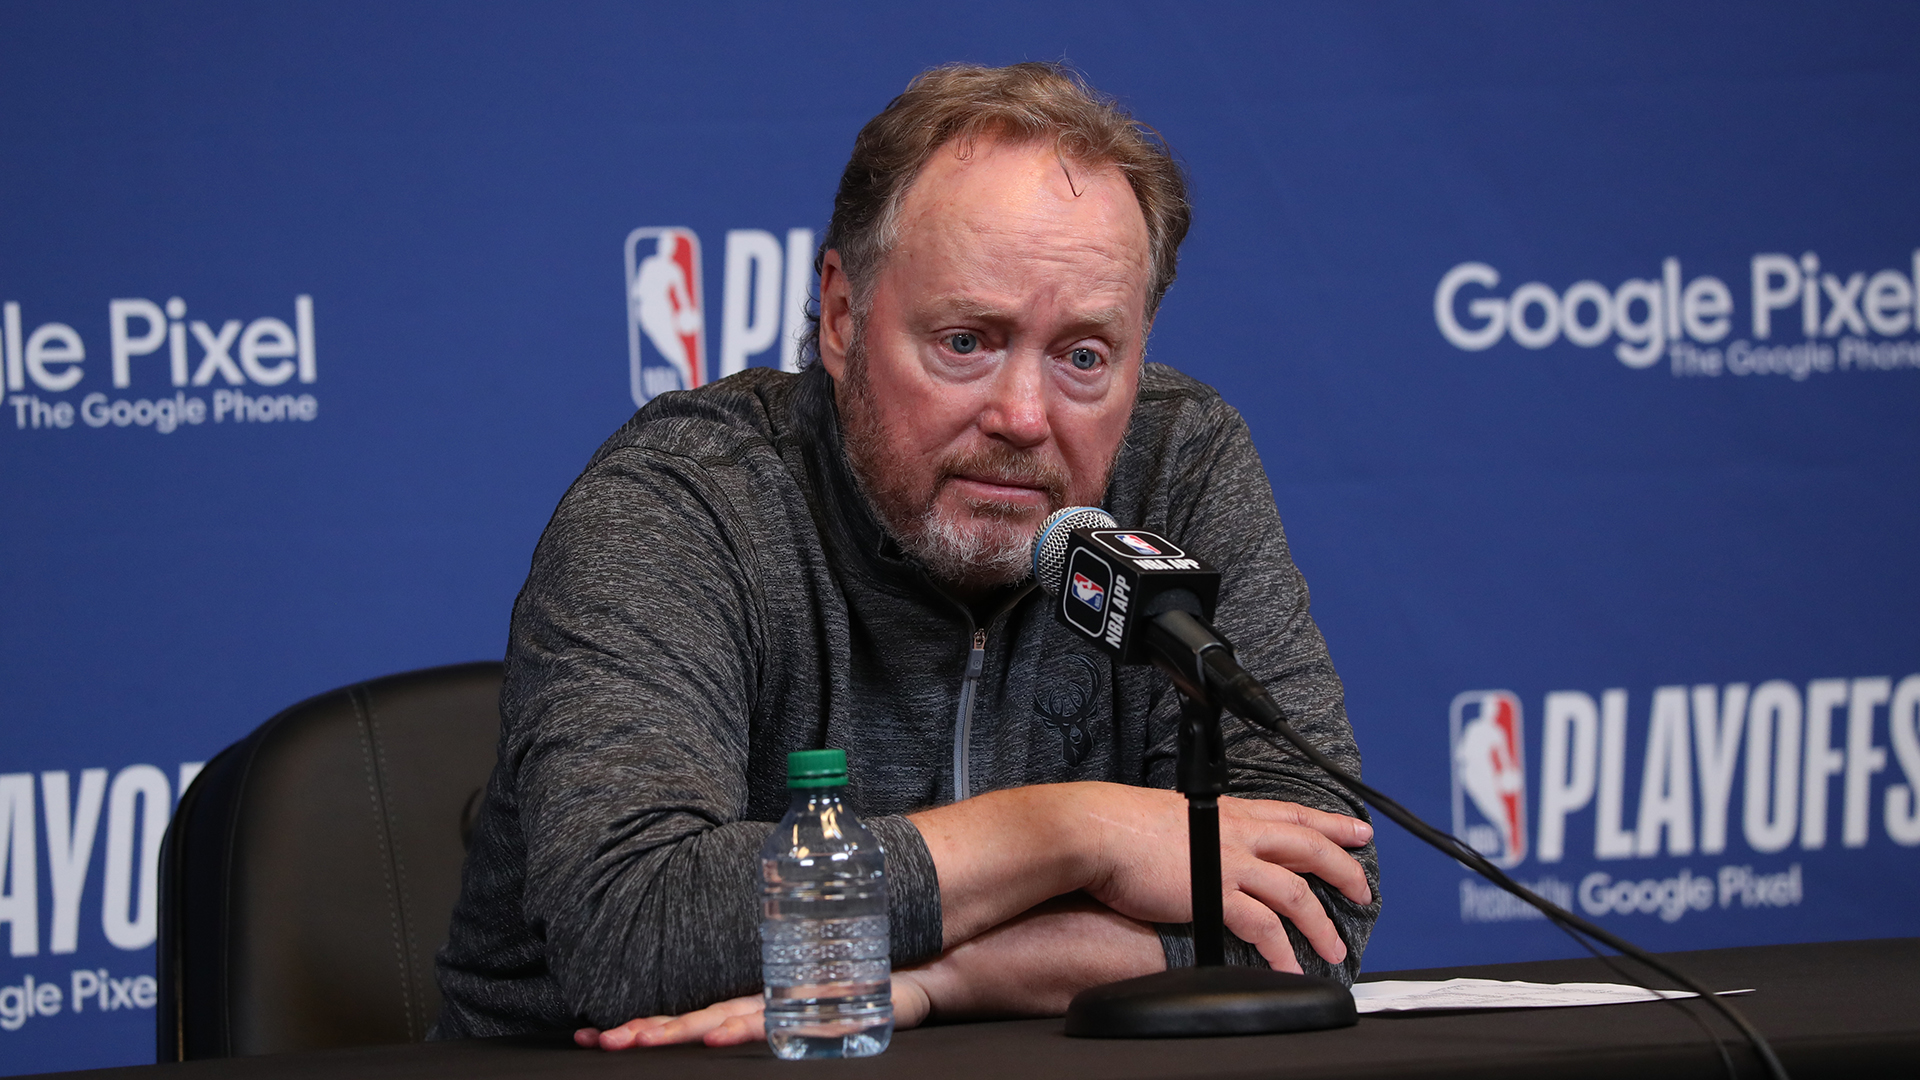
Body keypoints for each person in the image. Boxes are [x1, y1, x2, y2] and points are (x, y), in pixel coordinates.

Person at [433, 62, 1379, 1049]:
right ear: (843, 318)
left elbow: (1314, 913)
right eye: (966, 341)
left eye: (1084, 358)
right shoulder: (685, 498)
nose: (1024, 417)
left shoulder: (1178, 465)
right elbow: (637, 927)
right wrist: (1072, 833)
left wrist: (943, 978)